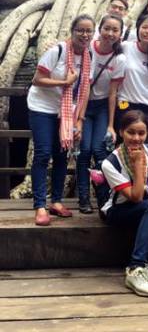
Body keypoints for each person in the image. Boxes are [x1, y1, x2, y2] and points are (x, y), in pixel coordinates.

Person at [27, 14, 94, 226]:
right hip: (41, 107)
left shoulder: (87, 56)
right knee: (43, 153)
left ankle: (56, 201)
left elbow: (85, 89)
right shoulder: (57, 51)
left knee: (62, 155)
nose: (84, 34)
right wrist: (64, 81)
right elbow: (37, 79)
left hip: (66, 112)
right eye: (80, 30)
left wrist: (79, 120)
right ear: (72, 32)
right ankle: (40, 205)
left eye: (88, 31)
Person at [101, 110, 148, 297]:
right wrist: (137, 164)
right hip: (118, 210)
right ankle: (135, 268)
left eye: (141, 133)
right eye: (131, 132)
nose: (136, 138)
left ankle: (146, 264)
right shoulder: (110, 163)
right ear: (121, 132)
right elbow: (135, 197)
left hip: (145, 204)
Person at [77, 13, 126, 213]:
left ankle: (103, 196)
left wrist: (111, 125)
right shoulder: (88, 50)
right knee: (84, 151)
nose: (110, 33)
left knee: (99, 151)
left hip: (102, 107)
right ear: (100, 29)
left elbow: (113, 93)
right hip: (83, 106)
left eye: (115, 30)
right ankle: (83, 197)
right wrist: (78, 117)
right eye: (107, 28)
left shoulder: (119, 58)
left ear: (120, 34)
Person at [116, 15, 148, 145]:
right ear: (138, 29)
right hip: (124, 103)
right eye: (144, 27)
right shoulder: (126, 47)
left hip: (147, 107)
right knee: (124, 145)